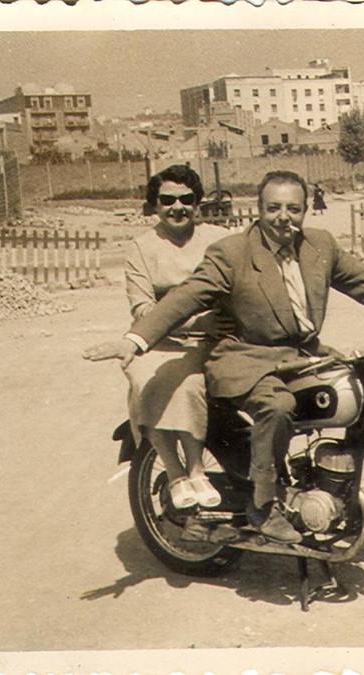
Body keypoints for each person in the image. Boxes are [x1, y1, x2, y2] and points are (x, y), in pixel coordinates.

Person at [84, 170, 364, 544]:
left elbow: (362, 278)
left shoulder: (320, 245)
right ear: (258, 211)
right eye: (273, 208)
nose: (284, 217)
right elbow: (186, 297)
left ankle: (332, 491)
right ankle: (264, 506)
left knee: (361, 391)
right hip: (245, 356)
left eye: (293, 209)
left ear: (306, 210)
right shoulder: (232, 253)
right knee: (276, 407)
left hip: (300, 354)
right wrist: (136, 339)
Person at [123, 164, 228, 513]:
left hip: (211, 340)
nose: (177, 207)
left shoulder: (218, 239)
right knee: (143, 379)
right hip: (160, 341)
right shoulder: (141, 247)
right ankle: (176, 471)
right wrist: (189, 320)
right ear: (154, 204)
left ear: (197, 203)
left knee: (189, 383)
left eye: (186, 199)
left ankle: (196, 468)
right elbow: (142, 308)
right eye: (167, 200)